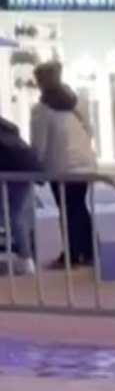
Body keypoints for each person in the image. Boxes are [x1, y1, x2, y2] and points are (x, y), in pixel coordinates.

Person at [30, 60, 97, 270]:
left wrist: (36, 168)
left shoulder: (42, 110)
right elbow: (90, 130)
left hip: (62, 167)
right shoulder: (75, 102)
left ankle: (72, 254)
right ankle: (88, 251)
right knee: (79, 207)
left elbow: (39, 144)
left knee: (67, 210)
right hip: (84, 163)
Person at [0, 115, 42, 275]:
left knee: (13, 215)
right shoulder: (9, 130)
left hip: (10, 175)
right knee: (18, 215)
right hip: (25, 173)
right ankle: (26, 257)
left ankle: (25, 257)